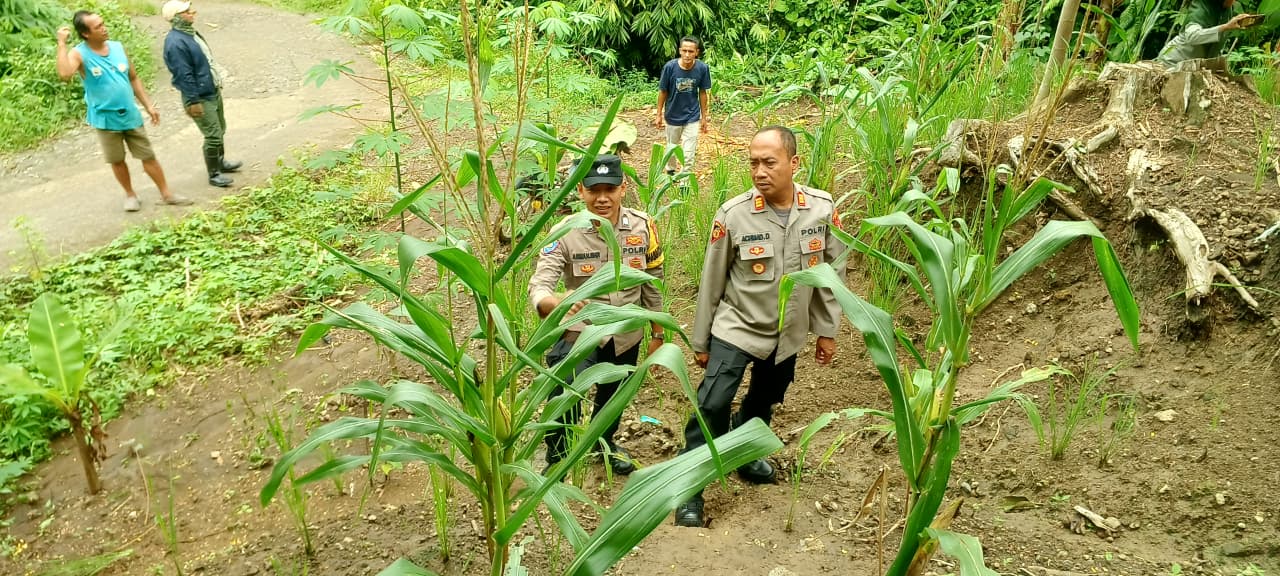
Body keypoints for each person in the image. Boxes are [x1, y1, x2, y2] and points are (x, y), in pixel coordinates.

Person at [673, 126, 842, 528]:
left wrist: (827, 330)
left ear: (793, 163)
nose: (760, 171)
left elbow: (833, 275)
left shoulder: (821, 209)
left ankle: (745, 454)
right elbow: (711, 281)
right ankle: (688, 487)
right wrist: (701, 340)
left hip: (788, 333)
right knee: (712, 403)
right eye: (753, 162)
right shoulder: (734, 214)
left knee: (764, 400)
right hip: (738, 326)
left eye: (769, 162)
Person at [528, 154, 666, 476]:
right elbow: (540, 286)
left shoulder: (643, 227)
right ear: (580, 190)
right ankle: (558, 452)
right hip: (581, 331)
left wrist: (657, 334)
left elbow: (654, 285)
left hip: (626, 332)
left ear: (623, 188)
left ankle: (603, 443)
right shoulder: (564, 231)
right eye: (594, 190)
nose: (602, 198)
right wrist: (559, 301)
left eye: (610, 189)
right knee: (565, 391)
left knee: (614, 394)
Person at [55, 11, 191, 212]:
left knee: (148, 155)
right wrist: (61, 44)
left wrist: (148, 105)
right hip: (104, 118)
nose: (104, 28)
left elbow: (133, 78)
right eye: (98, 27)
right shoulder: (79, 53)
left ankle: (166, 193)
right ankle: (130, 194)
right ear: (85, 34)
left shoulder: (118, 48)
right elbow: (65, 74)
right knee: (117, 160)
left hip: (129, 113)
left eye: (103, 23)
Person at [161, 0, 241, 188]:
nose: (192, 13)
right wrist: (192, 100)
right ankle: (213, 174)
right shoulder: (175, 43)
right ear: (176, 18)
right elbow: (183, 75)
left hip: (210, 89)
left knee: (220, 128)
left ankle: (220, 163)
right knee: (213, 135)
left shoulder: (190, 34)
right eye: (187, 12)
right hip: (199, 96)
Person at [656, 36, 711, 174]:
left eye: (691, 51)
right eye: (684, 50)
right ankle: (670, 171)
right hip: (672, 115)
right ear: (680, 51)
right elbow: (663, 91)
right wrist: (658, 114)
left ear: (696, 52)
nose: (687, 54)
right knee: (671, 148)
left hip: (692, 116)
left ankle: (684, 182)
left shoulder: (702, 68)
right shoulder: (670, 67)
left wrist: (704, 117)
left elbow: (703, 93)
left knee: (688, 153)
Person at [1156, 0, 1258, 66]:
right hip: (1172, 62)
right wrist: (1225, 27)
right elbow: (1192, 37)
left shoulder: (1225, 10)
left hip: (1191, 66)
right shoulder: (1200, 7)